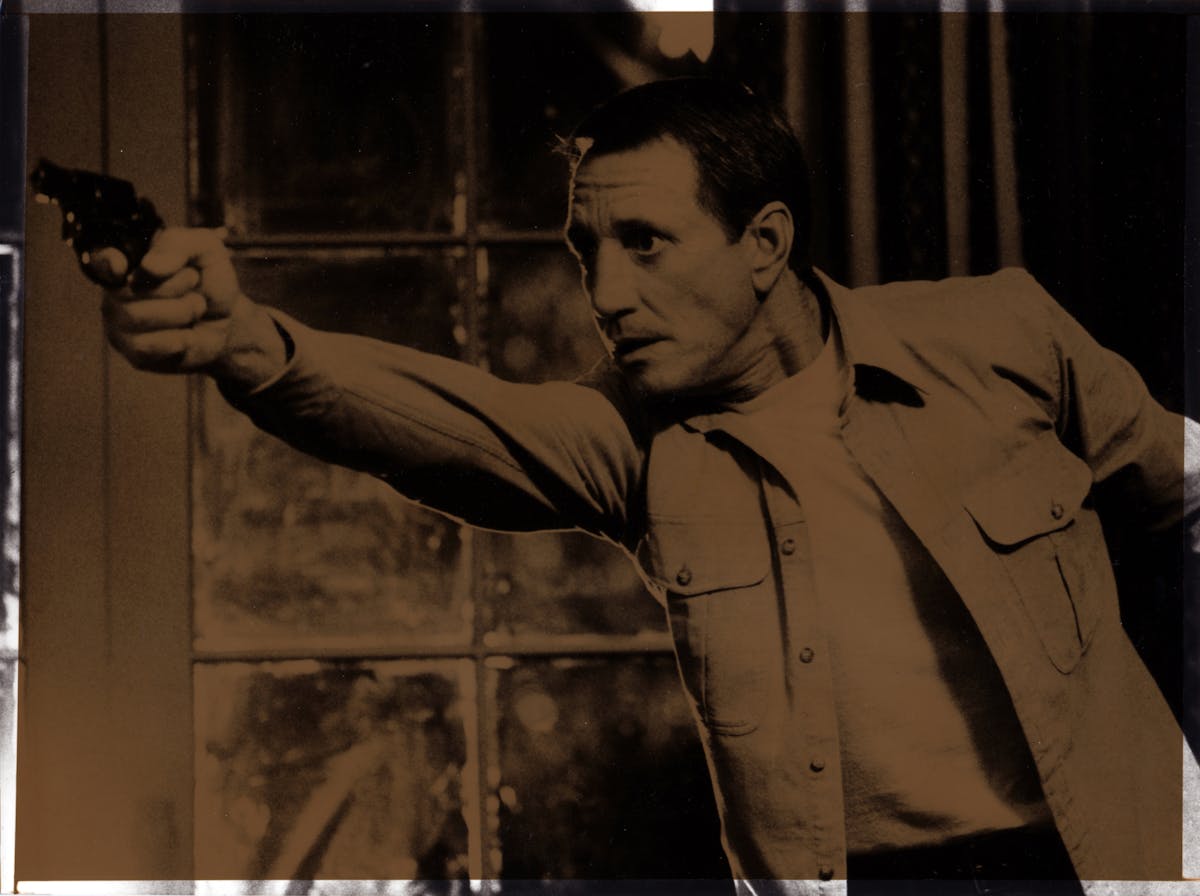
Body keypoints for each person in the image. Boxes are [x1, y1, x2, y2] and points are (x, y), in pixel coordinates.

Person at [96, 78, 1197, 895]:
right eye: (589, 252)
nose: (607, 293)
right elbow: (449, 426)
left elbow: (1184, 489)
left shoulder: (1001, 336)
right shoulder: (632, 439)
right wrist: (246, 343)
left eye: (646, 243)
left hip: (1112, 863)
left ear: (765, 241)